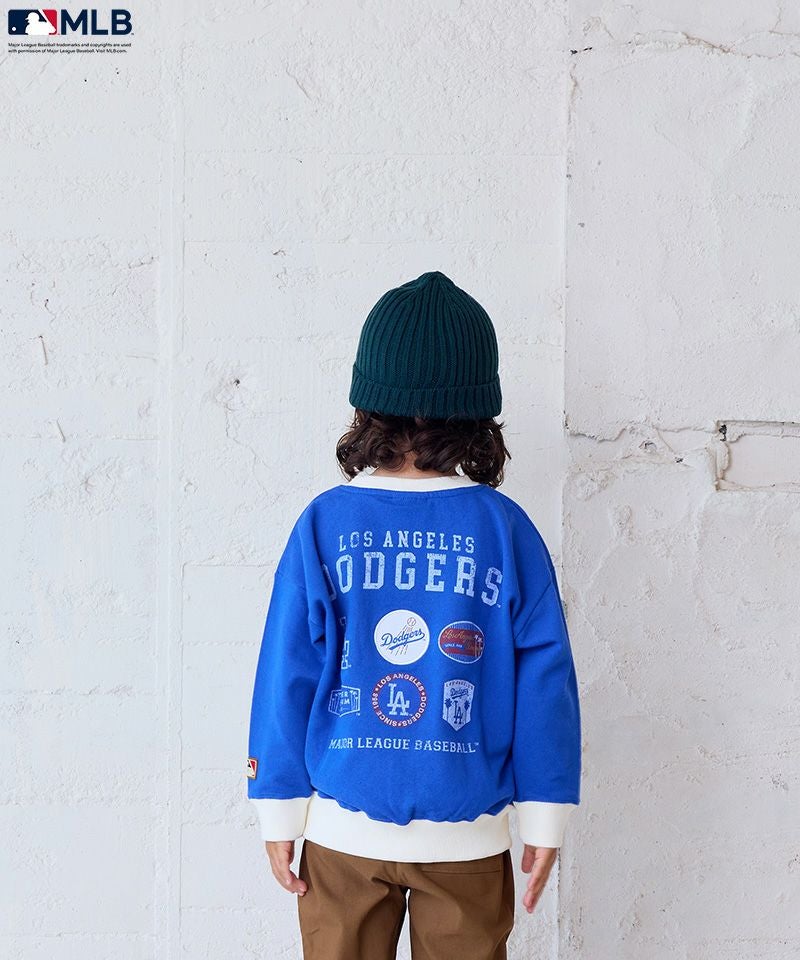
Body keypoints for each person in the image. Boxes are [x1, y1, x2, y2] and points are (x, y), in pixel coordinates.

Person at [245, 271, 582, 960]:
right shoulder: (504, 529)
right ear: (479, 411)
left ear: (367, 402)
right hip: (468, 833)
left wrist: (276, 807)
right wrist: (545, 813)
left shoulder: (325, 524)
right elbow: (544, 679)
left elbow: (287, 671)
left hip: (342, 832)